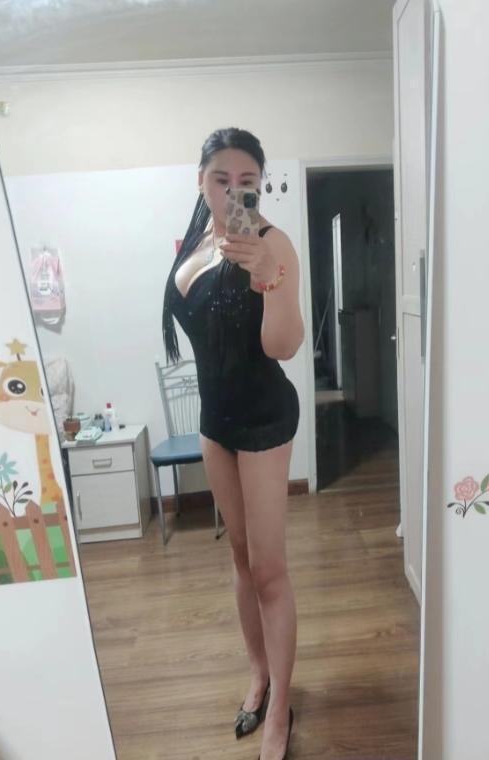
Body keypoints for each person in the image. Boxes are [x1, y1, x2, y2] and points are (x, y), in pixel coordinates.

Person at [162, 127, 303, 760]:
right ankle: (258, 675)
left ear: (260, 186)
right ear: (201, 182)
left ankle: (281, 709)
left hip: (264, 420)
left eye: (247, 181)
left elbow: (283, 346)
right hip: (215, 423)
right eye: (221, 179)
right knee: (241, 560)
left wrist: (269, 277)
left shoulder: (272, 245)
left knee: (269, 570)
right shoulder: (194, 243)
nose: (232, 191)